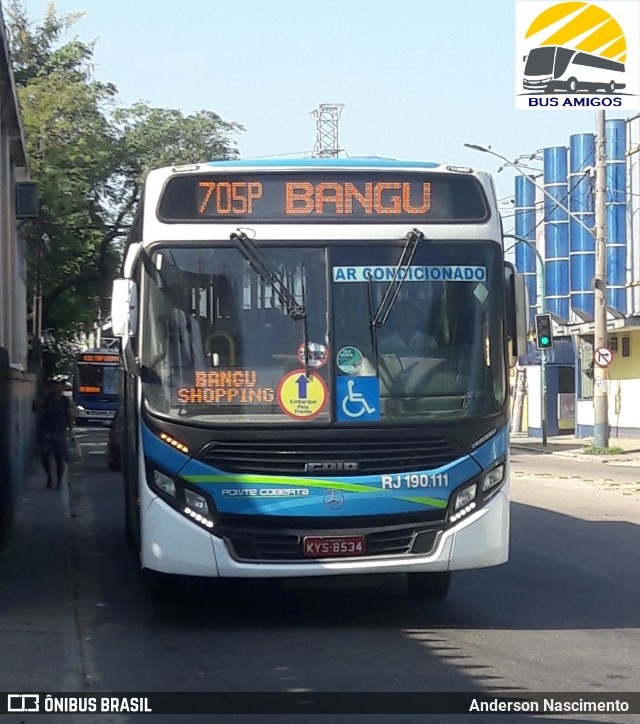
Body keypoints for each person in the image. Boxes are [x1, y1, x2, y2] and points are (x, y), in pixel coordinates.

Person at [35, 378, 74, 489]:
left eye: (59, 387)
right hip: (46, 431)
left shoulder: (65, 400)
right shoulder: (47, 399)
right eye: (54, 387)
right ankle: (49, 476)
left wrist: (70, 428)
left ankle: (59, 481)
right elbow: (36, 407)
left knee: (59, 457)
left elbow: (69, 413)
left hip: (59, 431)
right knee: (45, 456)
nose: (57, 390)